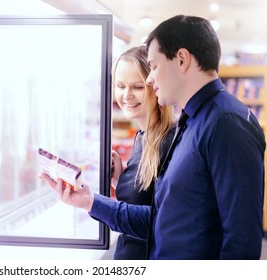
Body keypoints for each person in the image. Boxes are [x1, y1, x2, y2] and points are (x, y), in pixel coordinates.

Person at [41, 15, 266, 260]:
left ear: (181, 60)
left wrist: (92, 202)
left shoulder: (225, 123)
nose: (150, 79)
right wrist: (96, 197)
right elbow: (167, 218)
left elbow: (241, 242)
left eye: (154, 67)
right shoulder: (192, 122)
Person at [109, 46, 175, 259]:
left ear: (155, 86)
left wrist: (90, 202)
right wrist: (120, 180)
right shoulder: (142, 136)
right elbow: (145, 198)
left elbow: (162, 219)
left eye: (136, 87)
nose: (126, 95)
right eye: (120, 86)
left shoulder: (170, 140)